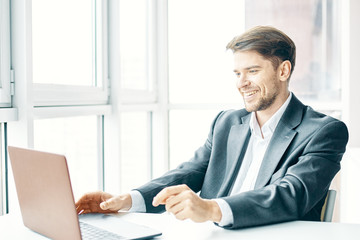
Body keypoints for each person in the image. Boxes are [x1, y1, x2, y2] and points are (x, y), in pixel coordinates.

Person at [75, 26, 348, 229]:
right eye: (237, 73)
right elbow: (190, 172)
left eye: (252, 71)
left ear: (283, 71)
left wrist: (212, 208)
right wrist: (127, 200)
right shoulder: (227, 123)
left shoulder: (324, 131)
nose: (242, 83)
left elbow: (292, 194)